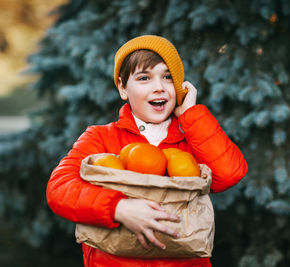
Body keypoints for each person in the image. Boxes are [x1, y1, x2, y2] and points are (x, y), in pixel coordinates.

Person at [46, 35, 248, 267]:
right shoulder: (101, 137)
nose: (159, 88)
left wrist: (190, 113)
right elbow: (59, 188)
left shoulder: (192, 139)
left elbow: (230, 174)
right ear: (123, 87)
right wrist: (118, 208)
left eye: (168, 77)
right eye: (144, 78)